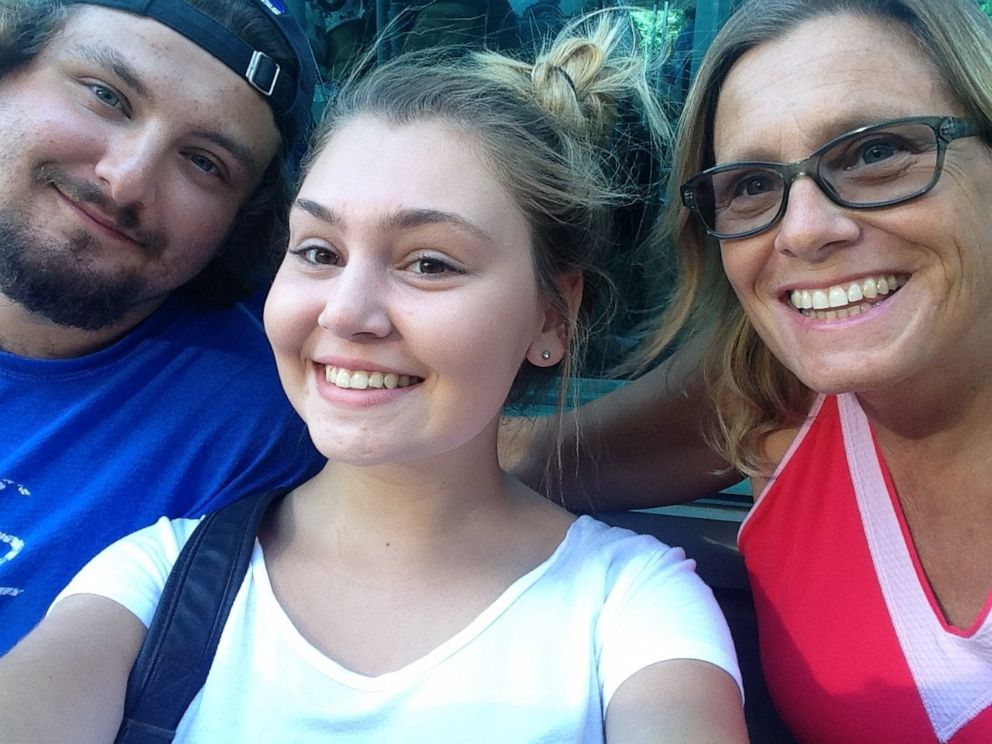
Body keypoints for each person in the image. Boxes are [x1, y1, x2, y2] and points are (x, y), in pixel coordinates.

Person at [0, 15, 747, 742]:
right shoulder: (150, 575)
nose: (347, 312)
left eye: (430, 263)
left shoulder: (632, 611)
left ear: (553, 315)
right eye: (319, 252)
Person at [512, 0, 992, 741]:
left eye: (874, 153)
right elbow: (539, 457)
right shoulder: (773, 400)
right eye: (751, 185)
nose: (804, 229)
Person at [0, 0, 326, 655]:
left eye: (205, 162)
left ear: (242, 224)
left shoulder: (256, 427)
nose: (124, 182)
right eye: (105, 95)